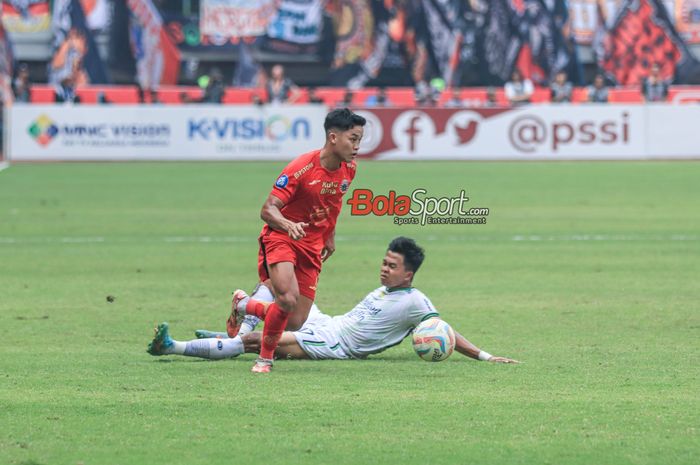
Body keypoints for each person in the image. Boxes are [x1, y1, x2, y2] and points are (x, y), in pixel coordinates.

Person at [147, 237, 519, 364]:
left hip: (334, 344)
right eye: (383, 263)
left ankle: (172, 347)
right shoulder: (386, 291)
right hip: (329, 323)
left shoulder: (416, 302)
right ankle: (233, 326)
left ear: (409, 274)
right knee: (272, 286)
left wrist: (485, 356)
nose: (384, 270)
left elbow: (446, 331)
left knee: (254, 344)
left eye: (392, 266)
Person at [227, 108, 366, 373]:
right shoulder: (301, 168)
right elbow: (267, 210)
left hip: (312, 245)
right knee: (287, 299)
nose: (357, 146)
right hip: (282, 237)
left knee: (295, 321)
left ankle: (244, 305)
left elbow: (334, 203)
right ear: (333, 137)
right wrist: (288, 225)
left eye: (360, 140)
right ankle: (264, 359)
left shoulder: (349, 169)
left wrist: (330, 235)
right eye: (353, 139)